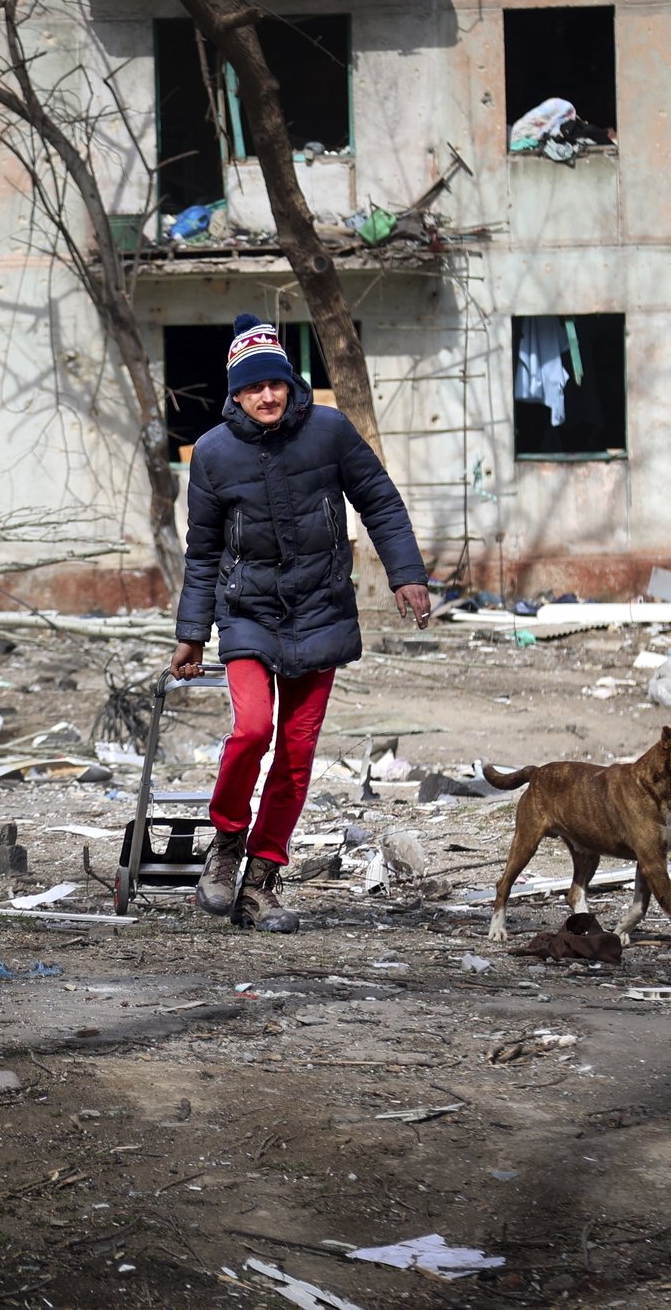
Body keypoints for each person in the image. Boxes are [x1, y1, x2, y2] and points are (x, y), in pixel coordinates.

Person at [171, 314, 432, 932]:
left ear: (291, 382)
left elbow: (380, 501)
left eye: (275, 383)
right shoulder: (211, 454)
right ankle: (228, 841)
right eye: (252, 387)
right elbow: (202, 551)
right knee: (253, 730)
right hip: (248, 613)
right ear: (234, 393)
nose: (266, 396)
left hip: (320, 610)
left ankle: (260, 881)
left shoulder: (330, 432)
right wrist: (191, 633)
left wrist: (406, 573)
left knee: (295, 753)